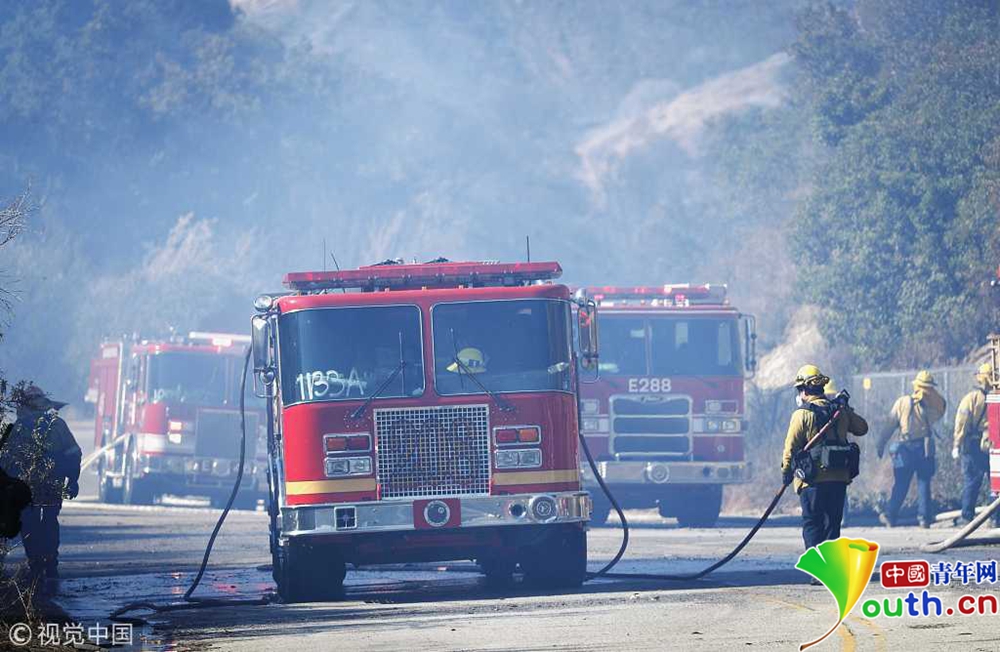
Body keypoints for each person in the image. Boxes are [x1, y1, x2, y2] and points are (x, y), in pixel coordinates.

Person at [0, 384, 82, 585]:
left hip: (33, 487)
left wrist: (73, 479)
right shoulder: (55, 425)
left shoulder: (19, 428)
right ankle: (46, 564)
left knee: (32, 523)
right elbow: (74, 453)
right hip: (44, 486)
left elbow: (6, 460)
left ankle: (40, 565)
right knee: (46, 522)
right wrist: (72, 479)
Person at [781, 365, 869, 551]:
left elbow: (790, 448)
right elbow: (862, 428)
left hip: (812, 481)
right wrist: (846, 409)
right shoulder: (839, 411)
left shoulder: (801, 414)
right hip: (838, 479)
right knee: (832, 527)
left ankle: (815, 565)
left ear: (804, 390)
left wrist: (786, 471)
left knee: (813, 525)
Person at [876, 370, 946, 529]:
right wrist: (931, 393)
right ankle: (924, 519)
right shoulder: (931, 406)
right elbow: (942, 409)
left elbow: (889, 425)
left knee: (901, 485)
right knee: (924, 483)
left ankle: (891, 516)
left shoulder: (902, 402)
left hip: (905, 448)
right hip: (924, 448)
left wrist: (881, 444)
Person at [952, 363, 995, 526]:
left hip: (974, 445)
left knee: (972, 480)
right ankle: (996, 519)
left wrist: (957, 444)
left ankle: (967, 516)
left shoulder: (971, 399)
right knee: (996, 483)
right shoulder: (997, 398)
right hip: (994, 444)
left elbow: (961, 422)